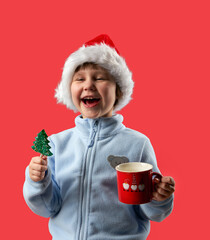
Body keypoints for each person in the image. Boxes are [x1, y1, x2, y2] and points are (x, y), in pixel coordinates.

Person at [23, 34, 175, 240]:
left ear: (119, 91)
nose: (88, 85)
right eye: (79, 79)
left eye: (99, 78)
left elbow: (155, 213)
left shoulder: (138, 144)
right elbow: (46, 208)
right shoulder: (56, 145)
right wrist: (37, 181)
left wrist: (159, 198)